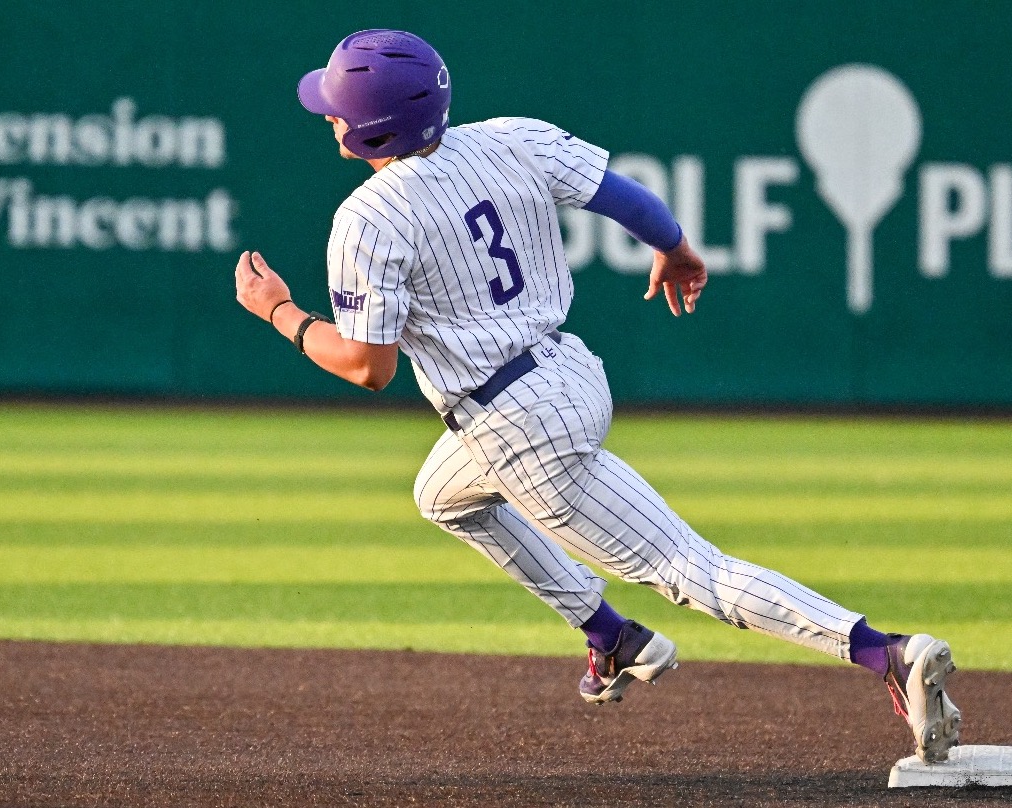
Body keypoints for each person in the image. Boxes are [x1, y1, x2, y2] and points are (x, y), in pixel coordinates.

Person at [234, 29, 961, 763]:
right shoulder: (509, 137)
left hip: (515, 426)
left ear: (369, 128)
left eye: (335, 106)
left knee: (688, 569)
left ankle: (883, 652)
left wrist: (279, 313)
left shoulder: (367, 219)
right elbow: (623, 197)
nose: (326, 114)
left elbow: (368, 367)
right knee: (442, 496)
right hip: (568, 373)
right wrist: (674, 247)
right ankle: (611, 635)